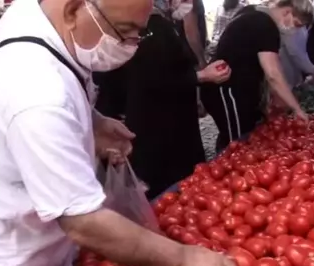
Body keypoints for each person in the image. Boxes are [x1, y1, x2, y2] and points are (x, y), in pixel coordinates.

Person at [0, 0, 249, 266]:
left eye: (138, 34)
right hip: (10, 242)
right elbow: (83, 221)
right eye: (124, 32)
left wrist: (93, 121)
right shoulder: (35, 93)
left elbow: (63, 74)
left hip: (37, 211)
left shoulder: (37, 15)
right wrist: (184, 260)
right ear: (74, 10)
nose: (130, 47)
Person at [95, 0, 231, 200]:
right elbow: (154, 78)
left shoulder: (160, 24)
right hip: (160, 125)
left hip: (163, 119)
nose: (186, 4)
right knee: (167, 187)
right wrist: (202, 76)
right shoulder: (151, 26)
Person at [201, 0, 312, 151]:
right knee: (237, 145)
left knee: (236, 136)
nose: (295, 30)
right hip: (227, 89)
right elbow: (273, 73)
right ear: (287, 12)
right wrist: (296, 109)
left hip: (233, 88)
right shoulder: (265, 25)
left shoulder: (254, 12)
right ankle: (221, 170)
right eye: (297, 24)